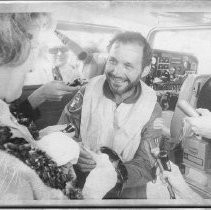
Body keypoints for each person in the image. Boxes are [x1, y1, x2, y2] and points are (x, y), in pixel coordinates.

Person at [58, 31, 163, 198]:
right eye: (112, 61)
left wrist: (111, 172)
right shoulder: (88, 91)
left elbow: (146, 164)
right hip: (81, 182)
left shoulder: (151, 108)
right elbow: (62, 130)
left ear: (145, 71)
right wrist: (74, 150)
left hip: (124, 191)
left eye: (128, 66)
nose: (116, 72)